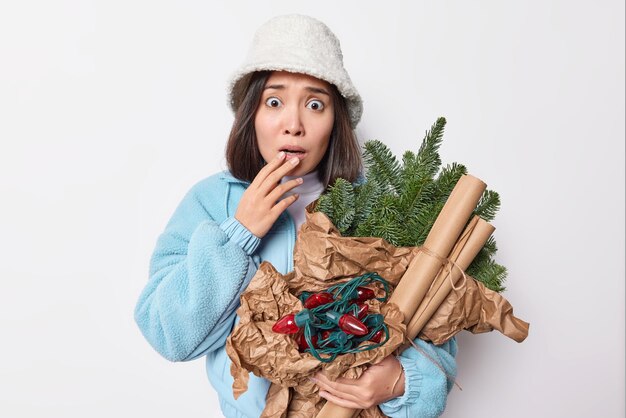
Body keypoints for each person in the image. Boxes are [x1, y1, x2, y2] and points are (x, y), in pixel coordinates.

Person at [134, 14, 458, 418]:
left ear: (335, 121)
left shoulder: (378, 204)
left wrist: (402, 380)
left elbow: (435, 330)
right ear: (250, 115)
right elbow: (168, 333)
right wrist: (240, 232)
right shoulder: (211, 201)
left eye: (315, 104)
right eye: (274, 101)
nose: (293, 125)